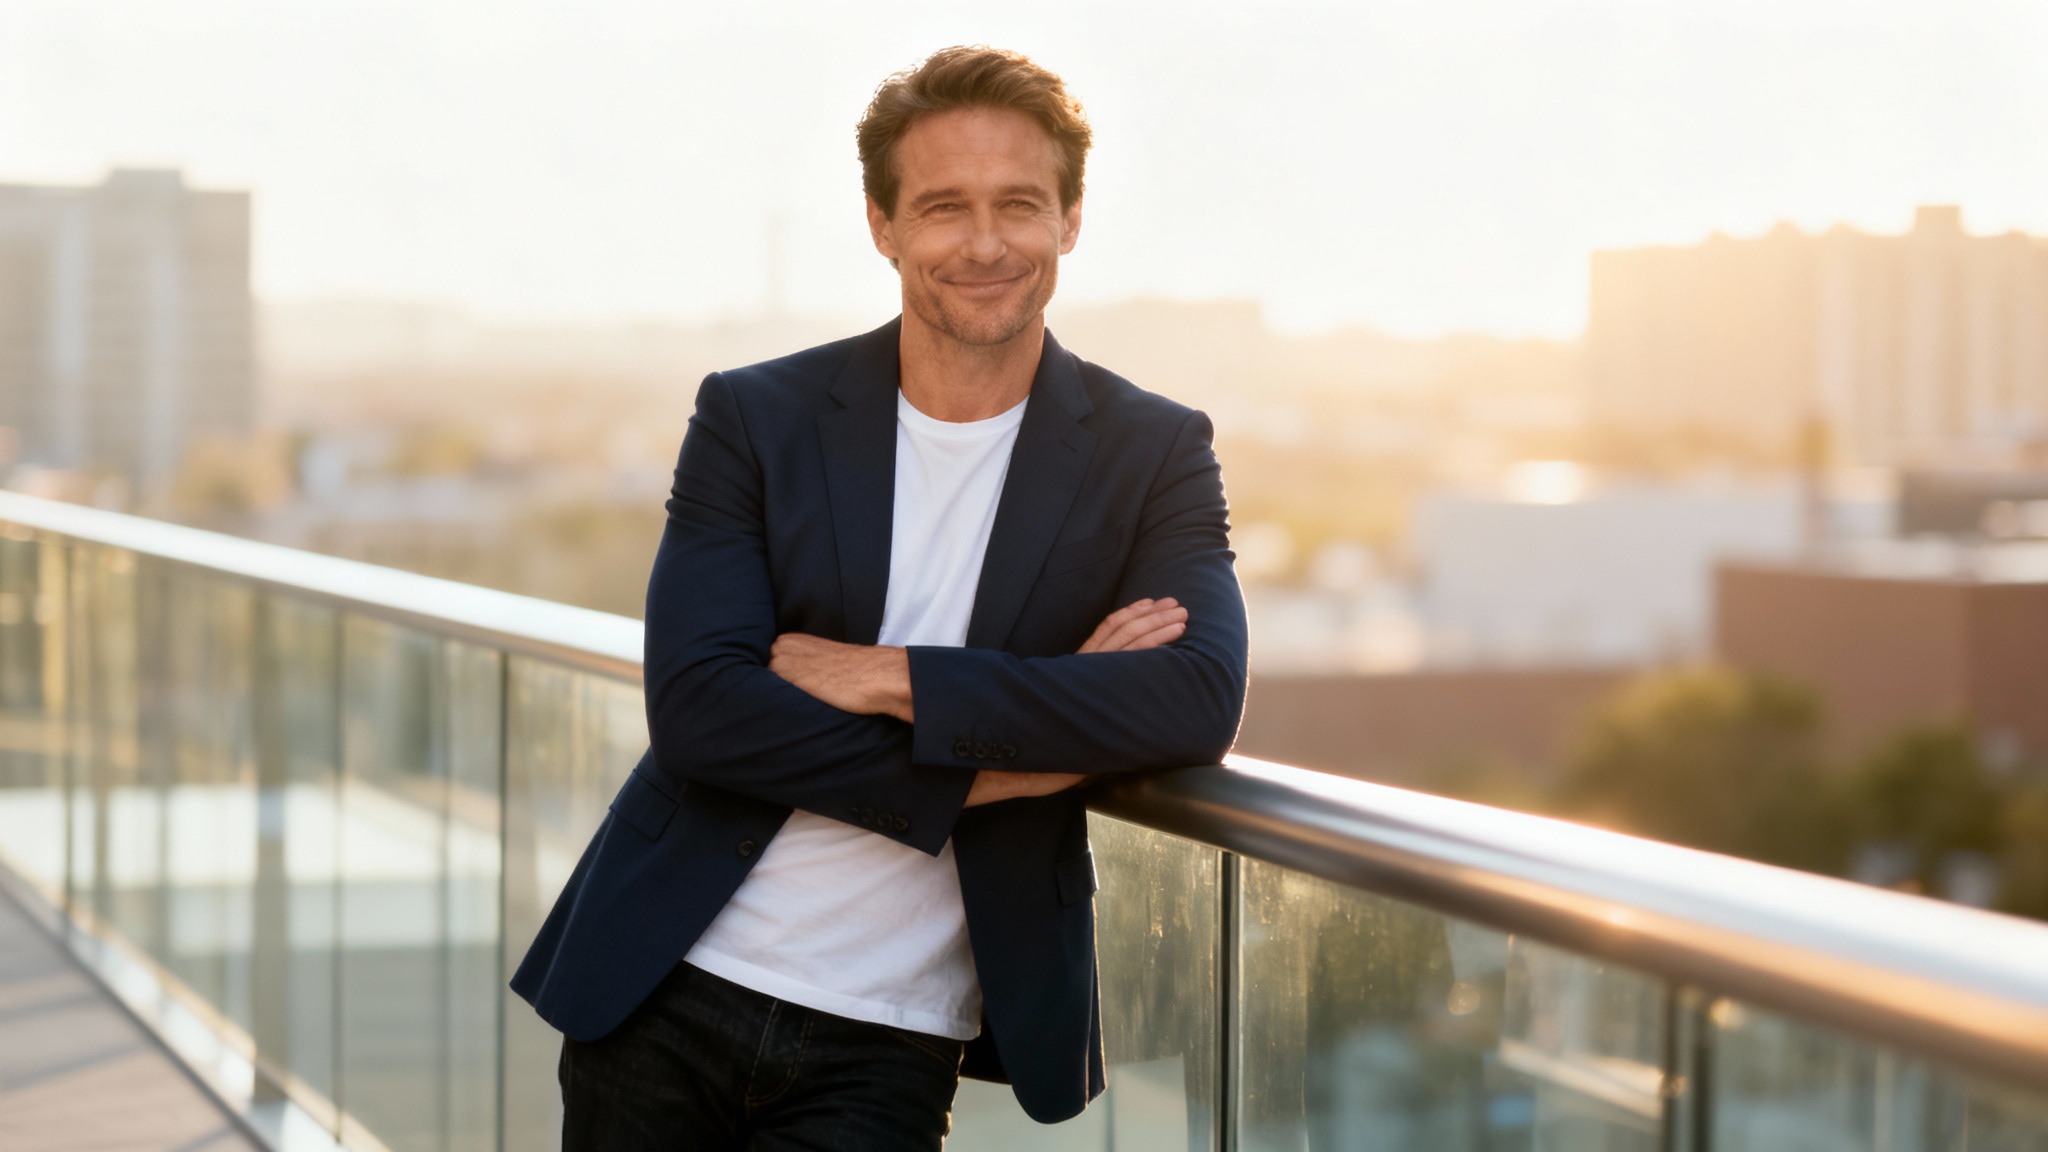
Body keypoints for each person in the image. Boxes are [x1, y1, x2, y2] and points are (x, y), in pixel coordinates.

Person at [511, 45, 1248, 1150]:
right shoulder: (756, 418)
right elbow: (703, 712)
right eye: (944, 207)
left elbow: (1193, 699)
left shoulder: (1153, 450)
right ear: (882, 224)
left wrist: (884, 677)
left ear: (1071, 219)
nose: (985, 243)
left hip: (892, 1039)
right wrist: (1007, 757)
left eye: (1019, 205)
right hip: (670, 978)